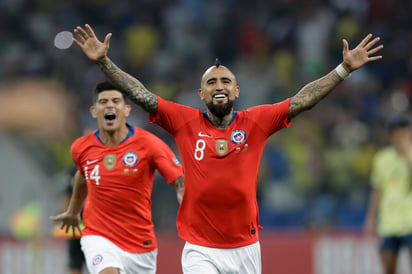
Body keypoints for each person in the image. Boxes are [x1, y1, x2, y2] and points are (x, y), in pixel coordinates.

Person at [72, 24, 383, 274]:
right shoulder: (184, 121)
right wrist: (103, 62)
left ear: (236, 90)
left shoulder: (256, 122)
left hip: (245, 248)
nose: (218, 85)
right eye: (211, 82)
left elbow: (303, 99)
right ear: (201, 93)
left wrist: (343, 69)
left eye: (225, 81)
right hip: (200, 248)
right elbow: (140, 94)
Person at [50, 81, 184, 274]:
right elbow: (81, 175)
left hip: (140, 244)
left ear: (127, 110)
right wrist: (73, 211)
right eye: (103, 102)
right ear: (94, 111)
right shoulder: (81, 147)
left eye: (115, 101)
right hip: (98, 236)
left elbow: (179, 182)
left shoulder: (150, 145)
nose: (109, 105)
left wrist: (186, 203)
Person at [364, 114, 412, 274]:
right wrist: (371, 219)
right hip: (389, 223)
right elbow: (377, 190)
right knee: (389, 269)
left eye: (404, 132)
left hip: (410, 221)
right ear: (390, 136)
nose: (401, 137)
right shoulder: (382, 158)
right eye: (397, 133)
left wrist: (406, 154)